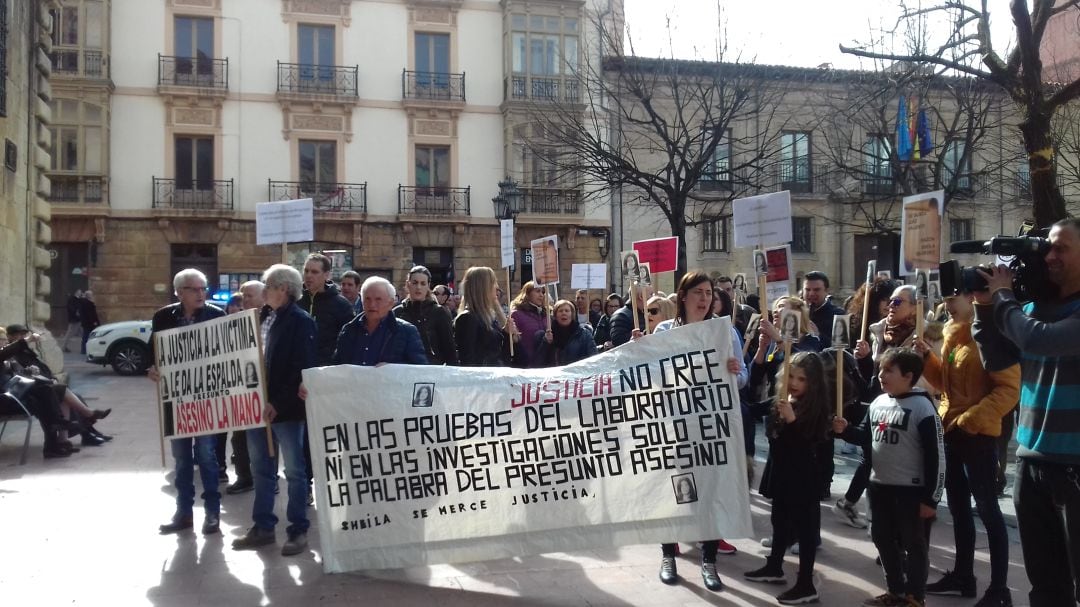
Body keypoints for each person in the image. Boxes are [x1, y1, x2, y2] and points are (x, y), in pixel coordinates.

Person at [971, 217, 1080, 607]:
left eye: (1061, 248)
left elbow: (1041, 339)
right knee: (1046, 588)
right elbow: (999, 359)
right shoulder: (1033, 309)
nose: (1050, 256)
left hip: (1075, 467)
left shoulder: (1035, 316)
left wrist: (1002, 299)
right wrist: (986, 310)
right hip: (1032, 463)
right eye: (1047, 247)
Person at [915, 291, 1018, 607]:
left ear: (974, 297)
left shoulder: (990, 334)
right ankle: (963, 577)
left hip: (978, 435)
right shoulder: (952, 334)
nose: (947, 302)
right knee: (959, 509)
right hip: (952, 431)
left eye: (954, 296)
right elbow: (947, 385)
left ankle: (999, 591)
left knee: (988, 512)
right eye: (946, 297)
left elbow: (1009, 390)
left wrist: (972, 419)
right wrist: (926, 360)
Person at [652, 271, 748, 592]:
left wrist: (736, 371)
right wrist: (639, 346)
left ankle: (709, 562)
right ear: (683, 296)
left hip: (710, 427)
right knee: (675, 493)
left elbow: (743, 377)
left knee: (709, 493)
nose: (705, 299)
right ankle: (668, 555)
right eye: (698, 293)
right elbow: (648, 371)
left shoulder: (725, 331)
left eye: (709, 293)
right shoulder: (666, 330)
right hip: (675, 425)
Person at [834, 348, 944, 607]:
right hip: (879, 486)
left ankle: (915, 597)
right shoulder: (878, 403)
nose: (881, 375)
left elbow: (936, 457)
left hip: (911, 491)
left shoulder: (923, 408)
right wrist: (846, 431)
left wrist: (932, 498)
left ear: (909, 376)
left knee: (914, 544)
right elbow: (865, 437)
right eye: (881, 369)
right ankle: (895, 589)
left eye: (888, 371)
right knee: (882, 538)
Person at [232, 264, 317, 556]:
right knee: (263, 470)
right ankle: (263, 527)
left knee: (294, 472)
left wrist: (277, 403)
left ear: (283, 288)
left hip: (287, 411)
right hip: (258, 406)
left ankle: (298, 530)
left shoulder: (300, 321)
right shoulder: (265, 317)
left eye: (268, 285)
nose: (263, 290)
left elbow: (300, 368)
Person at [744, 352, 832, 605]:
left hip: (804, 479)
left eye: (801, 378)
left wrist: (792, 421)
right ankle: (774, 565)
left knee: (804, 531)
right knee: (779, 521)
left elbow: (809, 448)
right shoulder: (782, 399)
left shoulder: (818, 409)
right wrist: (756, 367)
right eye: (791, 376)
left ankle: (806, 583)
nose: (794, 382)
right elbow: (749, 407)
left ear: (813, 382)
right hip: (782, 474)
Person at [149, 269, 224, 535]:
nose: (202, 294)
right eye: (195, 289)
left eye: (204, 289)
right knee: (181, 459)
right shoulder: (163, 317)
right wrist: (153, 368)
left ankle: (213, 513)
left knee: (206, 456)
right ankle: (183, 512)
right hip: (177, 399)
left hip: (206, 399)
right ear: (179, 292)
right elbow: (154, 351)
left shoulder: (217, 315)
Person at [0, 333, 79, 458]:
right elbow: (5, 354)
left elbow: (16, 375)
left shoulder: (8, 360)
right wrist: (27, 339)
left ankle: (56, 437)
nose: (3, 343)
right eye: (1, 340)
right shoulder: (4, 355)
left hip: (15, 397)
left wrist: (28, 371)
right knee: (46, 397)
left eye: (4, 340)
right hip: (6, 401)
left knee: (46, 393)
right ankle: (55, 438)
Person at [332, 277, 428, 367]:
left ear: (391, 303)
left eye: (378, 299)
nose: (372, 304)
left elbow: (420, 370)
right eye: (367, 299)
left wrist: (394, 369)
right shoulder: (348, 330)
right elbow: (338, 367)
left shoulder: (406, 331)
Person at [226, 280, 265, 495]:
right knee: (239, 437)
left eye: (249, 296)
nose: (245, 300)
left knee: (266, 439)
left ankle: (268, 478)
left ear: (263, 296)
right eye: (243, 296)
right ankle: (244, 476)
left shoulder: (271, 320)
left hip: (266, 388)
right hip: (241, 387)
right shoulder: (235, 323)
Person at [393, 265, 458, 366]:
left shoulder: (439, 312)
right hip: (403, 373)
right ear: (408, 284)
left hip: (431, 372)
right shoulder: (397, 313)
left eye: (423, 283)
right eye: (415, 283)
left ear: (428, 286)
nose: (418, 287)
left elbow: (450, 351)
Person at [454, 267, 519, 366]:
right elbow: (468, 360)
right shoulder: (467, 318)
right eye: (493, 282)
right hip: (482, 378)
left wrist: (507, 334)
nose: (497, 287)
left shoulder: (489, 317)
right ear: (482, 287)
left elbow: (500, 354)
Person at [298, 253, 355, 366]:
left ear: (326, 275)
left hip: (326, 371)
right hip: (297, 371)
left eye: (314, 272)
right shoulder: (295, 301)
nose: (309, 275)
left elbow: (349, 343)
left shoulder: (342, 306)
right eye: (306, 271)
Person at [534, 299, 597, 366]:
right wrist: (546, 343)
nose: (564, 313)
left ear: (572, 314)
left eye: (567, 311)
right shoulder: (545, 335)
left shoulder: (584, 334)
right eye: (560, 311)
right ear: (555, 315)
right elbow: (537, 363)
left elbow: (593, 358)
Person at [508, 282, 548, 368]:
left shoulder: (547, 315)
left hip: (544, 364)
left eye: (543, 292)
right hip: (525, 365)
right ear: (527, 294)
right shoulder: (516, 314)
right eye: (537, 291)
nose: (541, 295)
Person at [802, 271, 845, 346]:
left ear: (826, 291)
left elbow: (842, 350)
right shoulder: (797, 312)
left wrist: (818, 335)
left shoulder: (839, 315)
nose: (811, 294)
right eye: (807, 290)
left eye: (816, 290)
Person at [610, 282, 652, 347]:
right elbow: (617, 340)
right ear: (641, 296)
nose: (653, 297)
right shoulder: (621, 316)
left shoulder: (646, 314)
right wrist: (639, 334)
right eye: (651, 294)